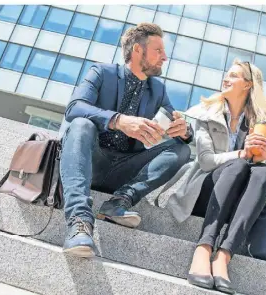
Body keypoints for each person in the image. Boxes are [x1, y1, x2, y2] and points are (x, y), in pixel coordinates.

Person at [59, 23, 192, 258]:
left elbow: (175, 123)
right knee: (81, 123)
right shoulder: (101, 73)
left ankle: (119, 201)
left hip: (126, 170)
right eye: (158, 51)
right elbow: (74, 108)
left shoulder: (158, 90)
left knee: (180, 150)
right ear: (138, 50)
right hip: (90, 160)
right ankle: (79, 221)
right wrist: (119, 121)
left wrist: (184, 129)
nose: (165, 57)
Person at [161, 59, 266, 294]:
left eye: (233, 76)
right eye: (227, 74)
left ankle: (224, 255)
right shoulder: (207, 114)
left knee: (264, 171)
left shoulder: (258, 123)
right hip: (204, 193)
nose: (226, 78)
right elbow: (205, 161)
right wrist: (241, 153)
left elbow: (252, 170)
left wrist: (260, 156)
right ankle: (204, 247)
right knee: (236, 165)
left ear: (247, 85)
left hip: (232, 200)